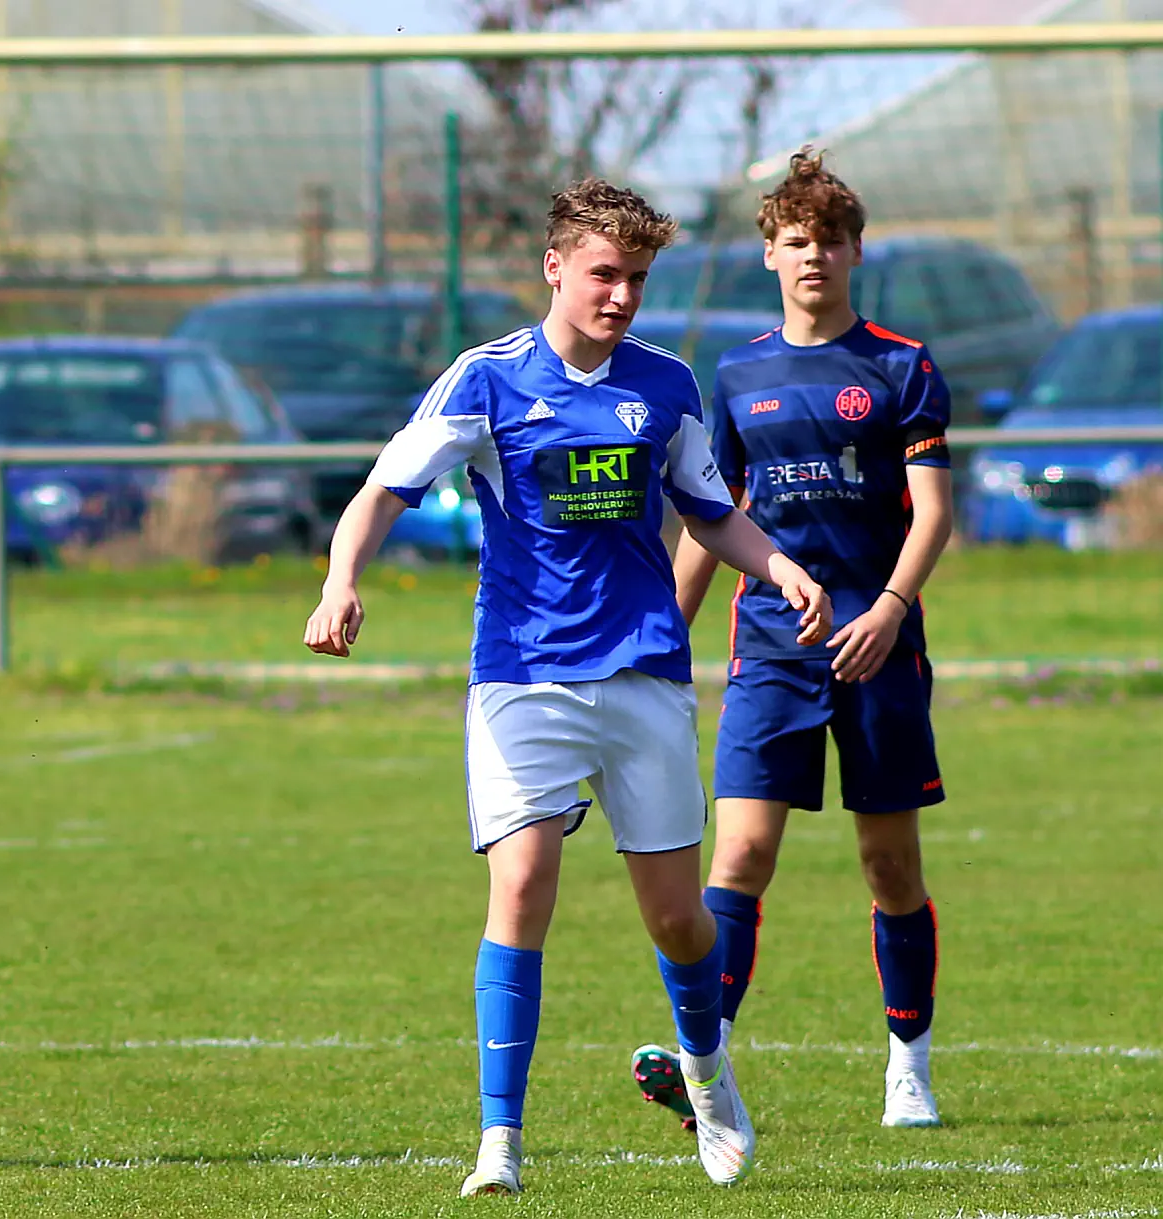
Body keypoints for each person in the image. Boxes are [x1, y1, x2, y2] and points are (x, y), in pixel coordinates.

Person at [303, 179, 834, 1195]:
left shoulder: (666, 384)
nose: (621, 295)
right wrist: (341, 580)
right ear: (554, 268)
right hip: (523, 675)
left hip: (643, 673)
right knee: (520, 885)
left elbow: (710, 511)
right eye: (604, 274)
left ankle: (708, 1073)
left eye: (637, 278)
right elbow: (383, 489)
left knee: (677, 919)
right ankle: (499, 1142)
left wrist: (780, 566)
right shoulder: (487, 378)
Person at [629, 149, 954, 1133]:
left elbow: (934, 512)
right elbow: (710, 516)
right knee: (740, 854)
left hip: (877, 647)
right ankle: (705, 1064)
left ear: (857, 251)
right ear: (770, 253)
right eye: (797, 240)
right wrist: (659, 641)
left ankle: (909, 1066)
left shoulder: (902, 365)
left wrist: (889, 608)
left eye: (831, 240)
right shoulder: (737, 374)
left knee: (889, 866)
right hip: (769, 648)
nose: (815, 255)